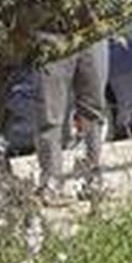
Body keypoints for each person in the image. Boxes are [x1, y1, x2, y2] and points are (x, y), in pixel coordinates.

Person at [35, 39, 110, 202]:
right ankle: (51, 182)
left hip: (93, 35)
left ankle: (91, 179)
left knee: (94, 112)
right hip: (53, 34)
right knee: (50, 116)